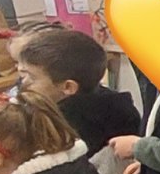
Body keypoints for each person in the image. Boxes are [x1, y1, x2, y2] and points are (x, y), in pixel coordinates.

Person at [12, 27, 142, 156]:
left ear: (68, 87)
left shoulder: (70, 129)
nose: (24, 83)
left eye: (32, 78)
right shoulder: (109, 100)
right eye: (23, 75)